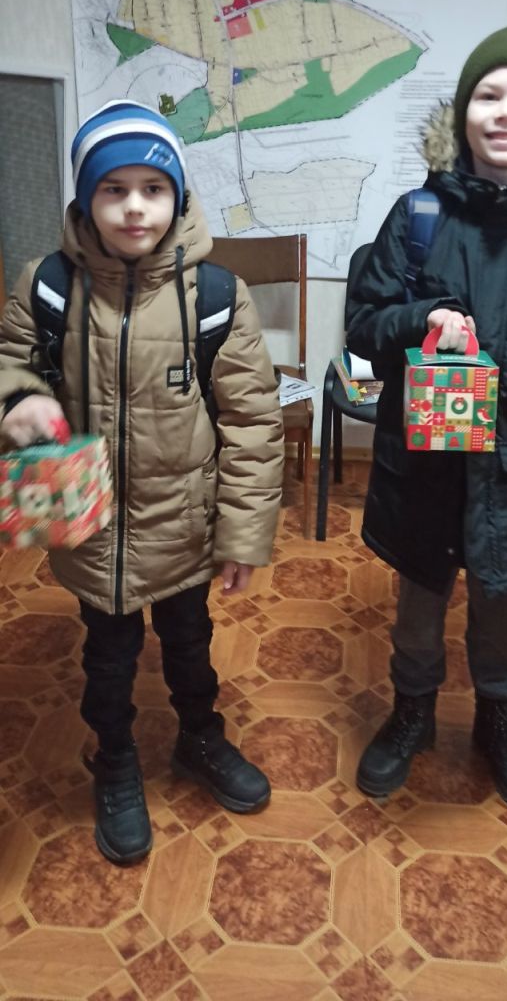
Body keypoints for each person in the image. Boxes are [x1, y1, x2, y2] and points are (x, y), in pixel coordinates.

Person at [0, 99, 284, 864]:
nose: (134, 207)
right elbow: (9, 361)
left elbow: (253, 423)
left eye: (152, 189)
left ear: (177, 197)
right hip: (90, 527)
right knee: (108, 658)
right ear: (86, 199)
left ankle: (200, 737)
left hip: (183, 522)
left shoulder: (216, 296)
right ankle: (116, 758)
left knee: (190, 644)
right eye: (113, 189)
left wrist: (243, 534)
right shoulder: (48, 285)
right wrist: (19, 399)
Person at [346, 23, 507, 814]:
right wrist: (418, 321)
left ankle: (498, 717)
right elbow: (363, 322)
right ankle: (412, 710)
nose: (506, 111)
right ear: (462, 115)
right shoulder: (417, 215)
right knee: (419, 593)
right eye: (488, 95)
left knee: (499, 596)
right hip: (425, 457)